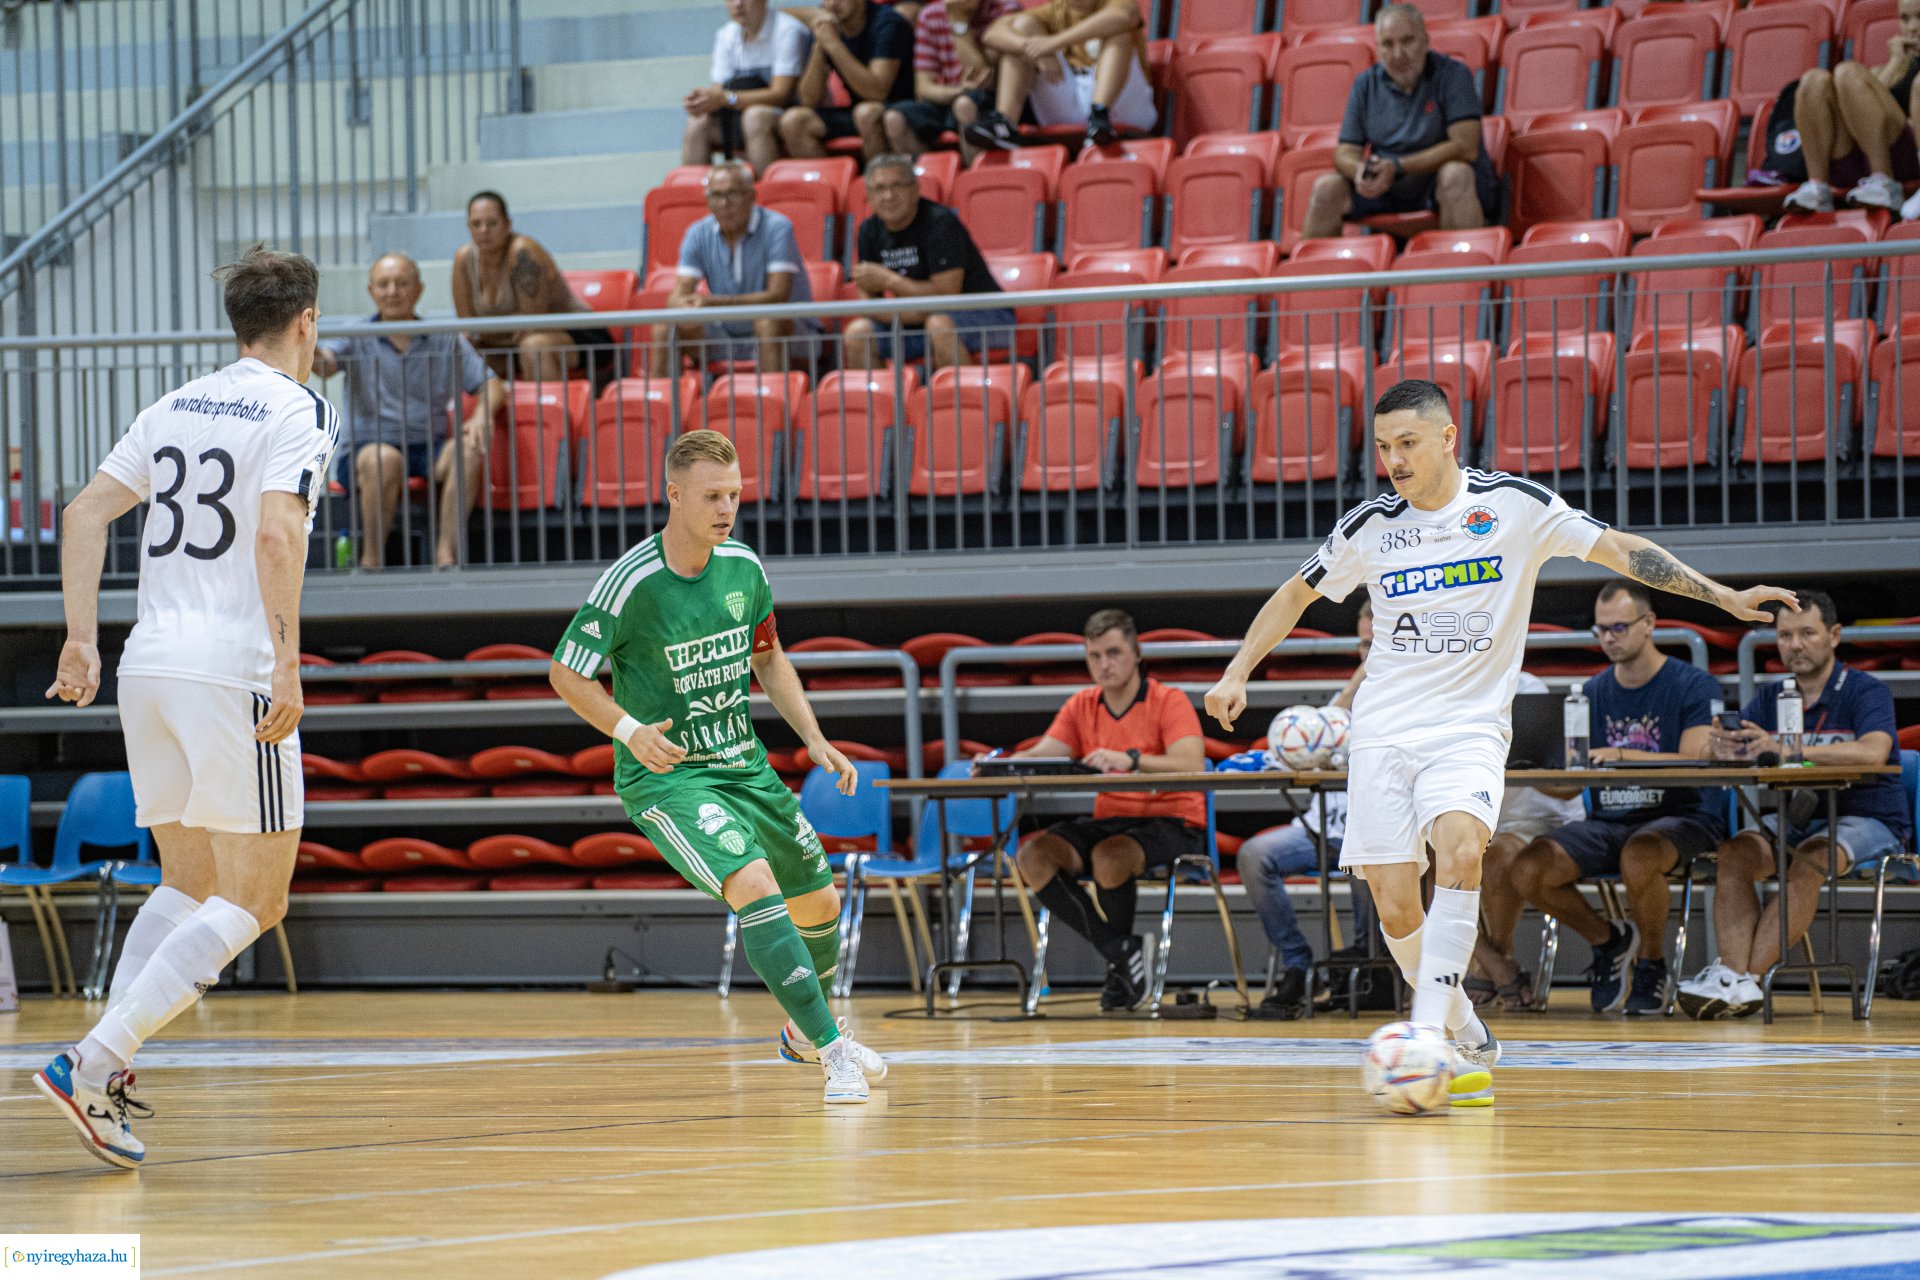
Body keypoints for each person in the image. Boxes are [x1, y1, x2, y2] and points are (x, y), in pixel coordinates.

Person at [1203, 379, 1792, 1109]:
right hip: (1384, 731)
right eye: (1384, 447)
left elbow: (1618, 549)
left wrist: (1723, 597)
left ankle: (1424, 1034)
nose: (1394, 459)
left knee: (1459, 848)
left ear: (1449, 438)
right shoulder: (1371, 526)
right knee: (1393, 907)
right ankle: (1463, 1020)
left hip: (1469, 728)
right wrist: (1236, 670)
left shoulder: (1515, 506)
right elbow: (1295, 593)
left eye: (1408, 443)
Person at [36, 245, 339, 1169]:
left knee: (188, 881)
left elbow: (84, 514)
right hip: (230, 668)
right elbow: (280, 531)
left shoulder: (173, 405)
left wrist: (81, 638)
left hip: (147, 665)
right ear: (307, 323)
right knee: (259, 897)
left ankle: (101, 1072)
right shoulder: (299, 408)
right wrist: (287, 664)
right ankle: (94, 1058)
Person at [547, 430, 886, 1103]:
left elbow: (769, 657)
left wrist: (813, 738)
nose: (727, 507)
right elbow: (565, 672)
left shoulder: (744, 568)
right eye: (712, 495)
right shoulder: (631, 582)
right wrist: (629, 729)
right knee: (754, 882)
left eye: (734, 493)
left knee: (820, 898)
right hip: (670, 777)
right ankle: (831, 1049)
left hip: (746, 767)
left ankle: (800, 1030)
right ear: (674, 495)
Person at [1498, 580, 1726, 1017]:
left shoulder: (1693, 684)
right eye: (1600, 629)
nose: (1609, 637)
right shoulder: (1592, 692)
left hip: (1684, 814)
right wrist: (1522, 770)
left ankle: (1652, 963)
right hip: (1611, 819)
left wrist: (1622, 754)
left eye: (1619, 627)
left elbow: (1697, 760)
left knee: (1640, 854)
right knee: (1528, 867)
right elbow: (1570, 784)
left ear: (1649, 624)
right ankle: (1608, 941)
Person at [1677, 592, 1910, 1019]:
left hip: (1869, 818)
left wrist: (1789, 749)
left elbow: (1873, 752)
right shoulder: (1772, 697)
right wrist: (1730, 747)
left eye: (1807, 633)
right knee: (1735, 854)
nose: (1795, 645)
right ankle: (1734, 978)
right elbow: (1754, 747)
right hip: (1798, 818)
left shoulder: (1866, 690)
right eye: (1785, 635)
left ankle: (1745, 978)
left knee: (1809, 860)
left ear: (1834, 636)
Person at [1002, 608, 1207, 1011]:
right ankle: (1122, 951)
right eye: (1094, 656)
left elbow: (1191, 763)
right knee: (1033, 856)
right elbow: (1046, 753)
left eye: (1113, 653)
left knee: (1109, 855)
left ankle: (1120, 969)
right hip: (1111, 819)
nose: (1104, 665)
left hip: (1173, 818)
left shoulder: (1169, 700)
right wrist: (1002, 763)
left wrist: (1131, 758)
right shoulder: (1082, 704)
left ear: (1137, 653)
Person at [313, 251, 506, 570]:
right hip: (365, 451)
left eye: (402, 283)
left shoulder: (444, 338)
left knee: (467, 449)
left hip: (426, 448)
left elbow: (493, 385)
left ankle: (446, 556)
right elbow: (325, 366)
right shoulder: (356, 332)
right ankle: (371, 562)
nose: (392, 292)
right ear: (371, 291)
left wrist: (480, 415)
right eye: (384, 284)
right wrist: (308, 344)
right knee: (385, 459)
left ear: (418, 289)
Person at [1236, 599, 1373, 1020]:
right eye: (1365, 646)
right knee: (1254, 855)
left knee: (1369, 859)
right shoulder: (1345, 697)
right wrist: (1358, 680)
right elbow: (1326, 735)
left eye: (1381, 644)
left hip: (1377, 829)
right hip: (1321, 825)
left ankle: (1370, 966)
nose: (1372, 654)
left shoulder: (1415, 692)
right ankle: (1297, 965)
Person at [1302, 3, 1499, 240]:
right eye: (1388, 44)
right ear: (1378, 49)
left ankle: (1468, 271)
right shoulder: (1365, 84)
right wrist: (1362, 171)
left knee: (1455, 174)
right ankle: (1317, 273)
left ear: (1425, 41)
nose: (1398, 54)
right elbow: (1344, 153)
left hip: (1436, 183)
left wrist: (1397, 167)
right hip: (1387, 188)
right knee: (1326, 187)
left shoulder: (1454, 75)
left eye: (1407, 41)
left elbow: (1465, 147)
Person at [844, 154, 1016, 369]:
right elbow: (869, 304)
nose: (888, 196)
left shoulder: (940, 223)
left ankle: (963, 401)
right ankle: (882, 402)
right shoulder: (869, 231)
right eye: (879, 189)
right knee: (857, 333)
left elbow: (947, 297)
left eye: (897, 185)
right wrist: (912, 313)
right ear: (869, 196)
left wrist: (889, 280)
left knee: (939, 323)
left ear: (915, 189)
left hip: (987, 315)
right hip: (917, 319)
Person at [656, 161, 820, 376]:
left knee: (767, 322)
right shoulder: (697, 233)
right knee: (664, 328)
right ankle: (665, 406)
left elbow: (777, 296)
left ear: (752, 196)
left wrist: (711, 304)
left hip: (793, 332)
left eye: (733, 194)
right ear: (707, 200)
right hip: (726, 333)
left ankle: (773, 405)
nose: (724, 203)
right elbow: (679, 293)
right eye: (716, 196)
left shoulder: (777, 227)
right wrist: (682, 305)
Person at [451, 191, 616, 385]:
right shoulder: (463, 259)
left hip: (579, 334)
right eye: (476, 224)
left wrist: (487, 332)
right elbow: (470, 331)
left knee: (533, 346)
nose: (484, 230)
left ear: (507, 225)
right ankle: (482, 415)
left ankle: (548, 414)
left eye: (492, 223)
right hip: (510, 346)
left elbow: (530, 325)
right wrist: (484, 335)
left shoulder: (522, 251)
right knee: (455, 353)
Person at [1781, 0, 1920, 218]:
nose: (1912, 27)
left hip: (1905, 159)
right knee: (1813, 81)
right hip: (1855, 159)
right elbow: (1865, 102)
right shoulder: (1885, 69)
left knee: (1848, 72)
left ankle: (1884, 182)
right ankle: (1817, 187)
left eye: (1919, 17)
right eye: (1904, 19)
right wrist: (1895, 63)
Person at [968, 0, 1156, 151]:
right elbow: (992, 33)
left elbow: (1123, 17)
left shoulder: (1116, 3)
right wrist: (1029, 47)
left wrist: (1053, 43)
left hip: (1125, 105)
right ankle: (1004, 124)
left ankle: (1100, 115)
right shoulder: (1057, 8)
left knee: (1119, 35)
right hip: (1069, 96)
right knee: (1021, 31)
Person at [684, 0, 812, 175]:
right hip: (738, 116)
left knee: (755, 117)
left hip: (787, 116)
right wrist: (703, 100)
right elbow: (719, 91)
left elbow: (780, 94)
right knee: (697, 122)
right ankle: (694, 198)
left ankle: (766, 196)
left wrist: (726, 98)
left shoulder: (787, 30)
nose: (738, 4)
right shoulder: (726, 34)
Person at [887, 0, 1022, 163]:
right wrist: (959, 90)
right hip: (950, 95)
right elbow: (923, 89)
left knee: (964, 105)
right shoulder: (930, 15)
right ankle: (926, 179)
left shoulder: (1004, 9)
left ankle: (977, 179)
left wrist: (958, 21)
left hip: (993, 100)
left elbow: (981, 78)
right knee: (894, 118)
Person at [779, 0, 916, 161]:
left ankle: (876, 180)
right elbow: (808, 100)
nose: (832, 5)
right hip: (857, 110)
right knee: (794, 120)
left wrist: (834, 45)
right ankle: (828, 184)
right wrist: (820, 46)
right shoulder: (827, 26)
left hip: (901, 109)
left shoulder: (889, 23)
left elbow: (877, 93)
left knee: (867, 112)